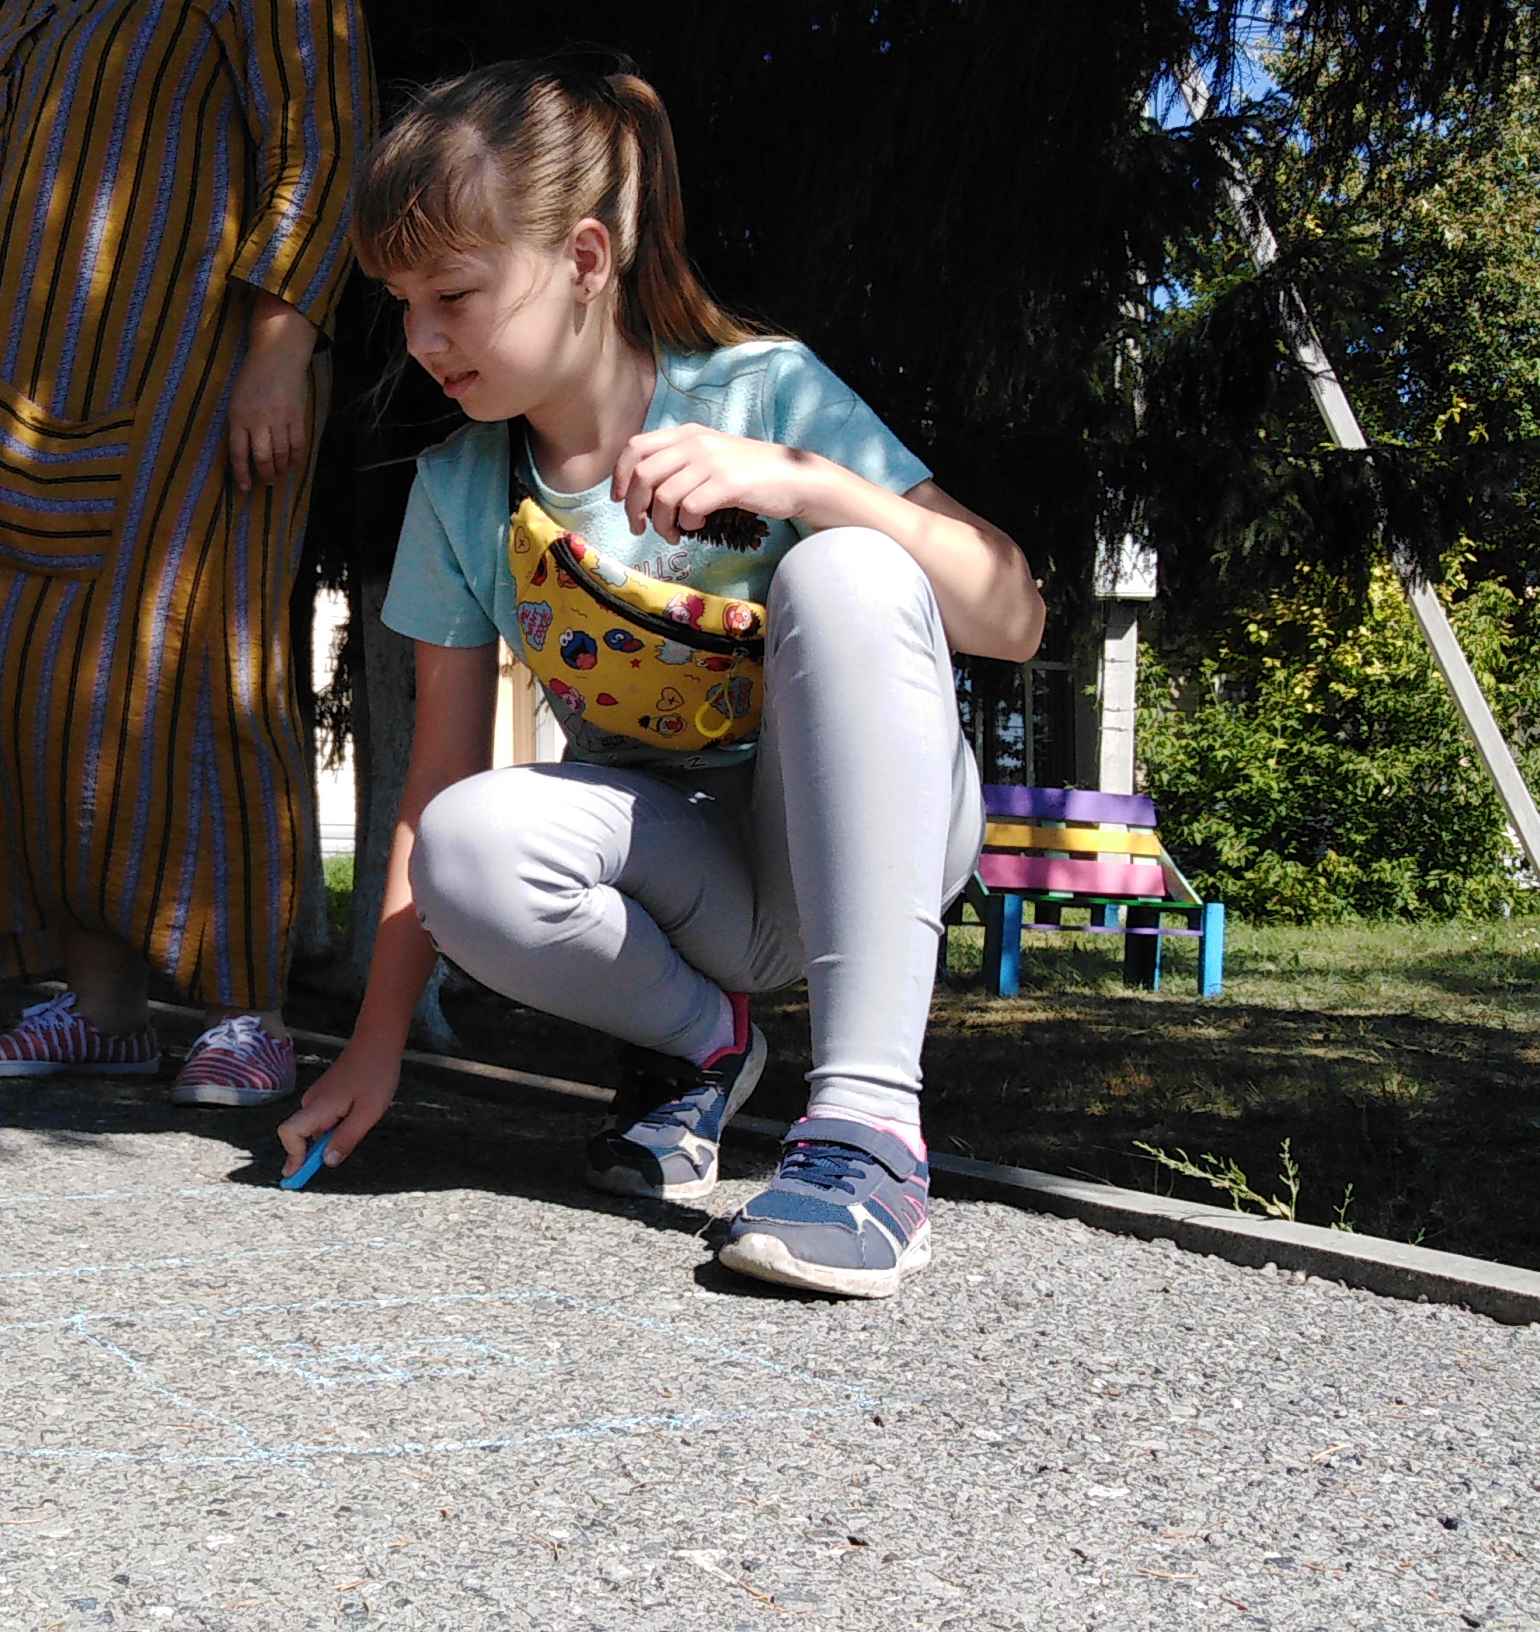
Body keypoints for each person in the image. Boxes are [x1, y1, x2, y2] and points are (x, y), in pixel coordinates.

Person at [276, 59, 1048, 1298]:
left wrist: (804, 484)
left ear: (585, 259)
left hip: (861, 843)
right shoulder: (461, 492)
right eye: (403, 304)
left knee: (849, 570)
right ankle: (705, 1047)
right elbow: (434, 781)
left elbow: (1012, 615)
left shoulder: (764, 390)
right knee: (469, 839)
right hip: (691, 882)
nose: (420, 339)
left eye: (454, 295)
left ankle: (868, 1137)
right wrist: (376, 1046)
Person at [0, 0, 372, 1109]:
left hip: (202, 380)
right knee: (23, 685)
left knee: (200, 670)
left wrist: (279, 351)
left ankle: (248, 1017)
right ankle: (104, 1011)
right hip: (10, 394)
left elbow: (321, 142)